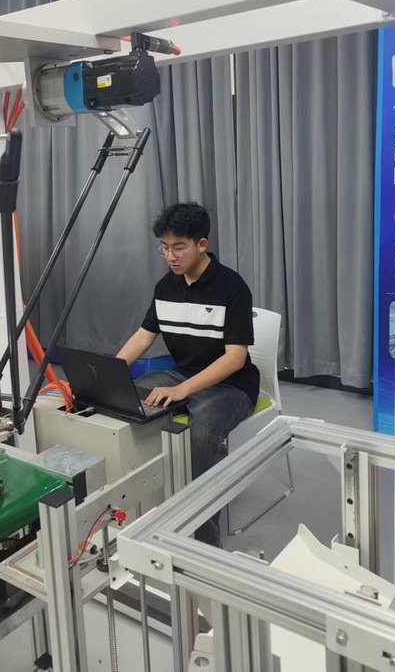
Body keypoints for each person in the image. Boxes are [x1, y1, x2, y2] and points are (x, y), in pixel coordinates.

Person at [117, 203, 260, 547]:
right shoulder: (165, 287)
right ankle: (149, 509)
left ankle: (203, 543)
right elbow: (143, 337)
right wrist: (111, 374)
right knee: (123, 401)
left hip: (231, 386)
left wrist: (183, 389)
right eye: (165, 248)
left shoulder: (232, 287)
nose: (171, 256)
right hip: (181, 375)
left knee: (202, 435)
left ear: (201, 244)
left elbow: (235, 359)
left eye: (179, 247)